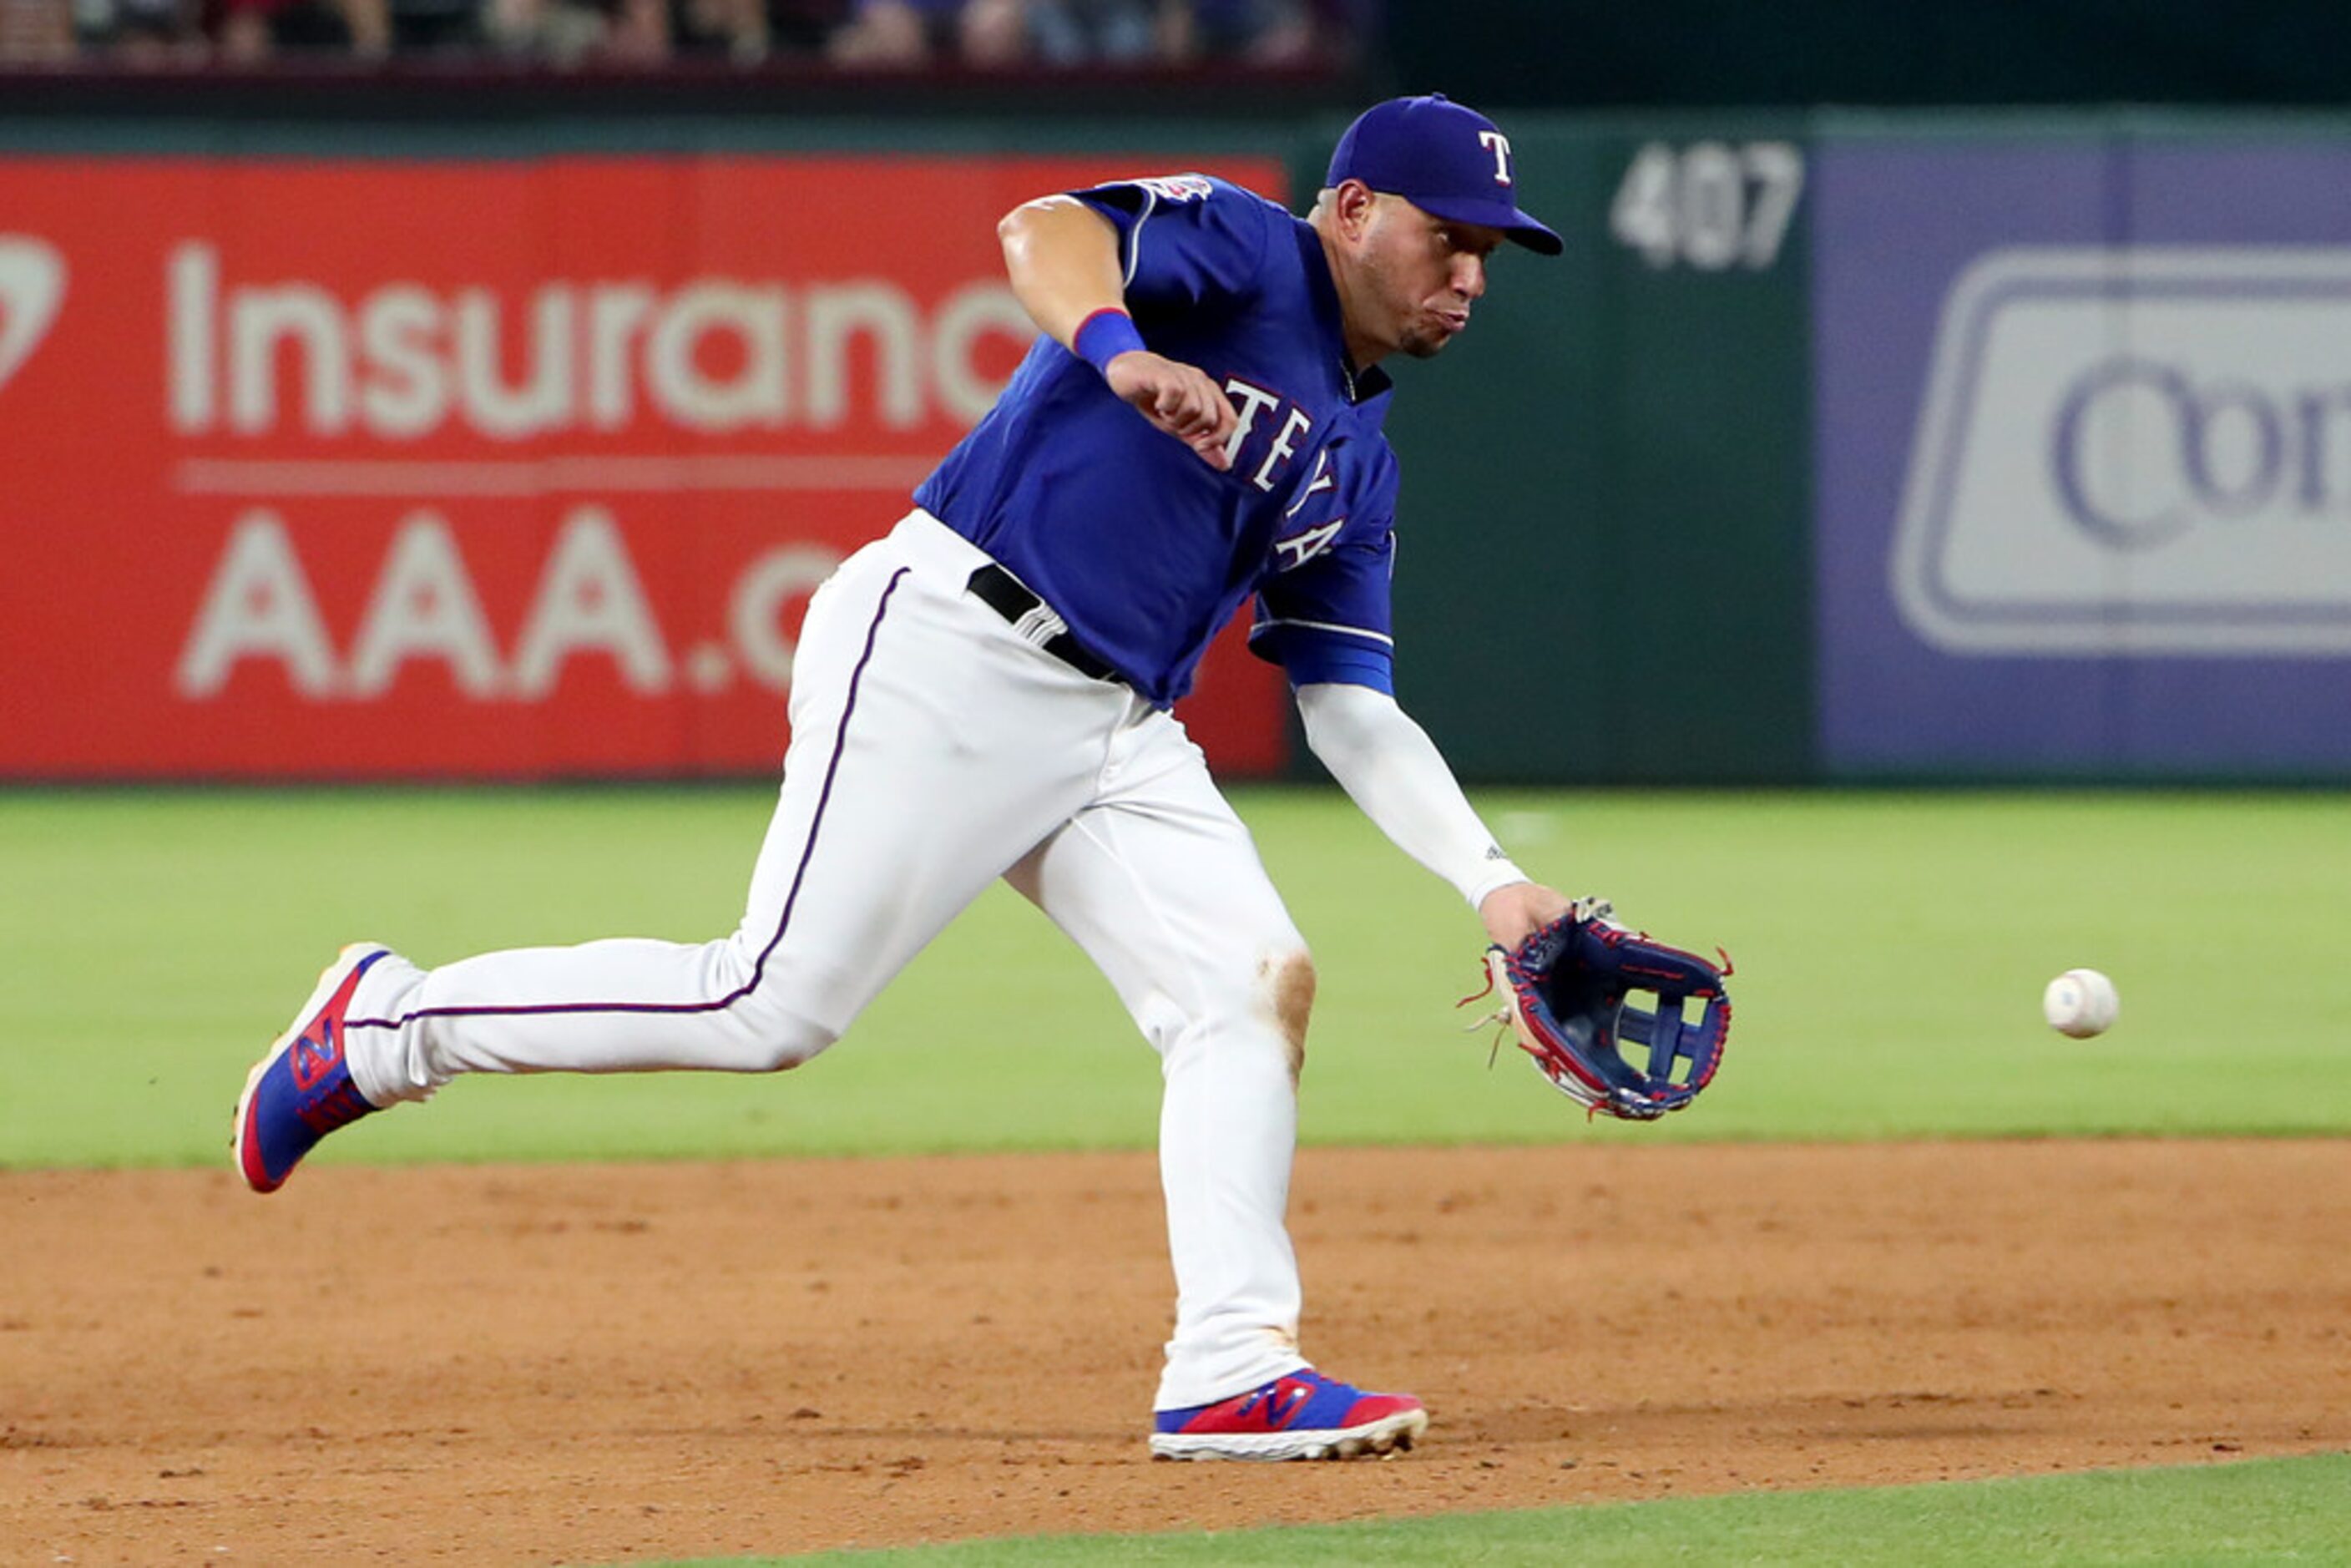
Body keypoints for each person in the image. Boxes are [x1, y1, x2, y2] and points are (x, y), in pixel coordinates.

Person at [235, 94, 1569, 1463]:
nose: (1468, 276)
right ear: (1351, 211)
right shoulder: (1246, 249)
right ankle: (389, 1026)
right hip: (955, 641)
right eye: (1446, 236)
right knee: (767, 1004)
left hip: (1115, 727)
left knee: (1248, 986)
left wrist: (1493, 879)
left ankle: (1229, 1366)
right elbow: (1042, 230)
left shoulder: (1362, 460)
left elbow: (1349, 704)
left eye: (1489, 253)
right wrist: (1115, 354)